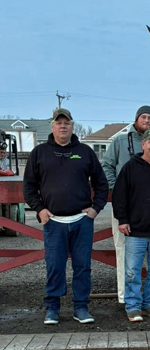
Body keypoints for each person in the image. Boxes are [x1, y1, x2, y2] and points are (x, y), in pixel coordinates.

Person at [23, 108, 109, 325]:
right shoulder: (39, 153)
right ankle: (52, 308)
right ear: (52, 126)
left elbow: (101, 183)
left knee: (83, 267)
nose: (63, 126)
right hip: (53, 222)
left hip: (82, 221)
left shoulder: (85, 152)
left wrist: (95, 209)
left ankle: (81, 307)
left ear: (72, 126)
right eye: (59, 123)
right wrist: (40, 209)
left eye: (67, 123)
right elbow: (29, 187)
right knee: (54, 266)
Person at [102, 105, 150, 311]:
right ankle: (126, 298)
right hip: (127, 208)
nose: (147, 120)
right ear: (136, 119)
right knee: (125, 254)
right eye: (143, 117)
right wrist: (116, 188)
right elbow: (107, 165)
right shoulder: (120, 141)